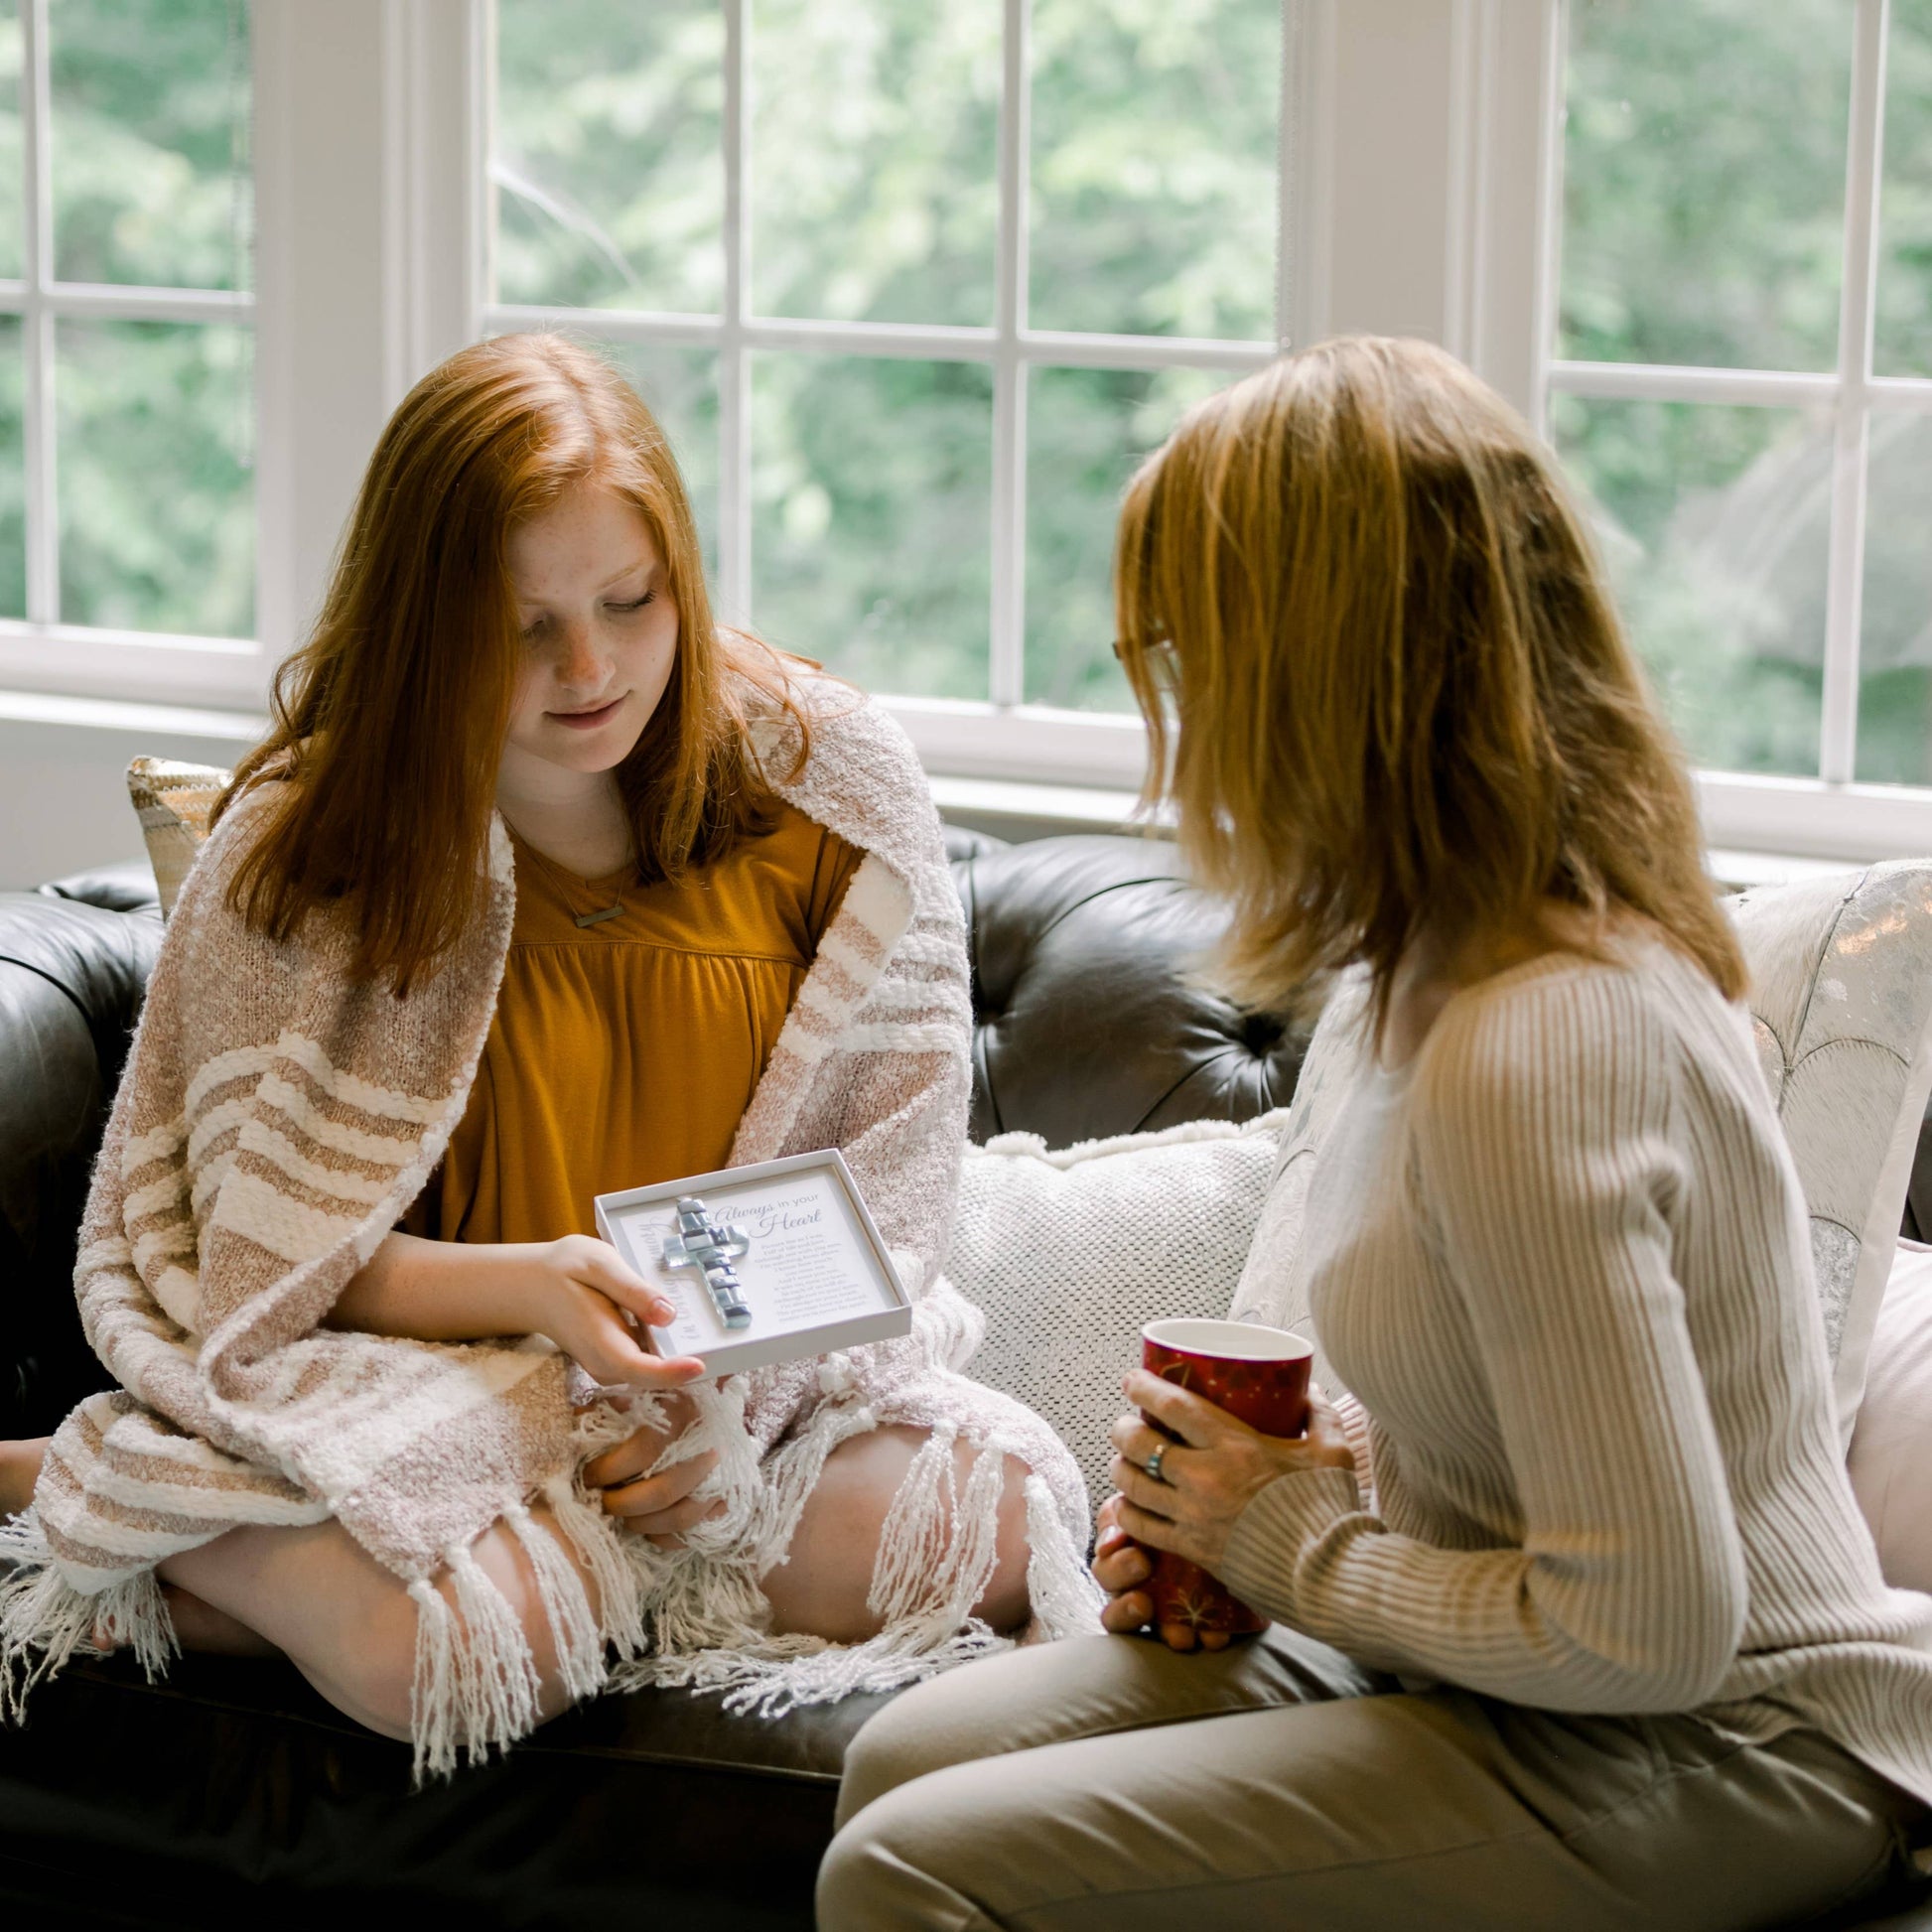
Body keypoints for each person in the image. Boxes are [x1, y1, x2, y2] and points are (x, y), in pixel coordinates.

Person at [817, 336, 1932, 1929]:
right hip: (1507, 1679)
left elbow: (1651, 1627)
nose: (1173, 738)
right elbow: (1514, 1422)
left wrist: (1289, 1543)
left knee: (905, 1867)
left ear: (1313, 676)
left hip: (1727, 1732)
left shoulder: (1540, 1044)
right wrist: (1265, 1497)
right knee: (901, 1760)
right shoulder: (1413, 968)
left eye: (1190, 658)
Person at [0, 333, 1093, 1778]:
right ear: (422, 626)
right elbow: (257, 1262)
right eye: (522, 628)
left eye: (630, 602)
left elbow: (885, 1209)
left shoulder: (830, 793)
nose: (590, 667)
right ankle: (129, 1496)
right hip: (419, 1375)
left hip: (735, 1399)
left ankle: (229, 1538)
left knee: (1008, 1511)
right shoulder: (305, 846)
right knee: (457, 1658)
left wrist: (719, 1420)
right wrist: (533, 1288)